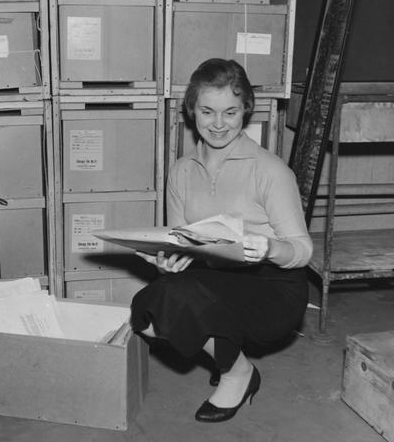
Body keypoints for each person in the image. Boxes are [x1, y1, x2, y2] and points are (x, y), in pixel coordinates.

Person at [131, 58, 313, 423]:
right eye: (207, 111)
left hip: (273, 285)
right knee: (146, 312)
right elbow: (180, 239)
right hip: (217, 275)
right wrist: (170, 260)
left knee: (182, 297)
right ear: (191, 110)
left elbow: (303, 251)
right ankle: (236, 359)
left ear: (245, 110)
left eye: (230, 112)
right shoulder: (182, 171)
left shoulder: (270, 170)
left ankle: (237, 373)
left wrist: (270, 247)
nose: (218, 124)